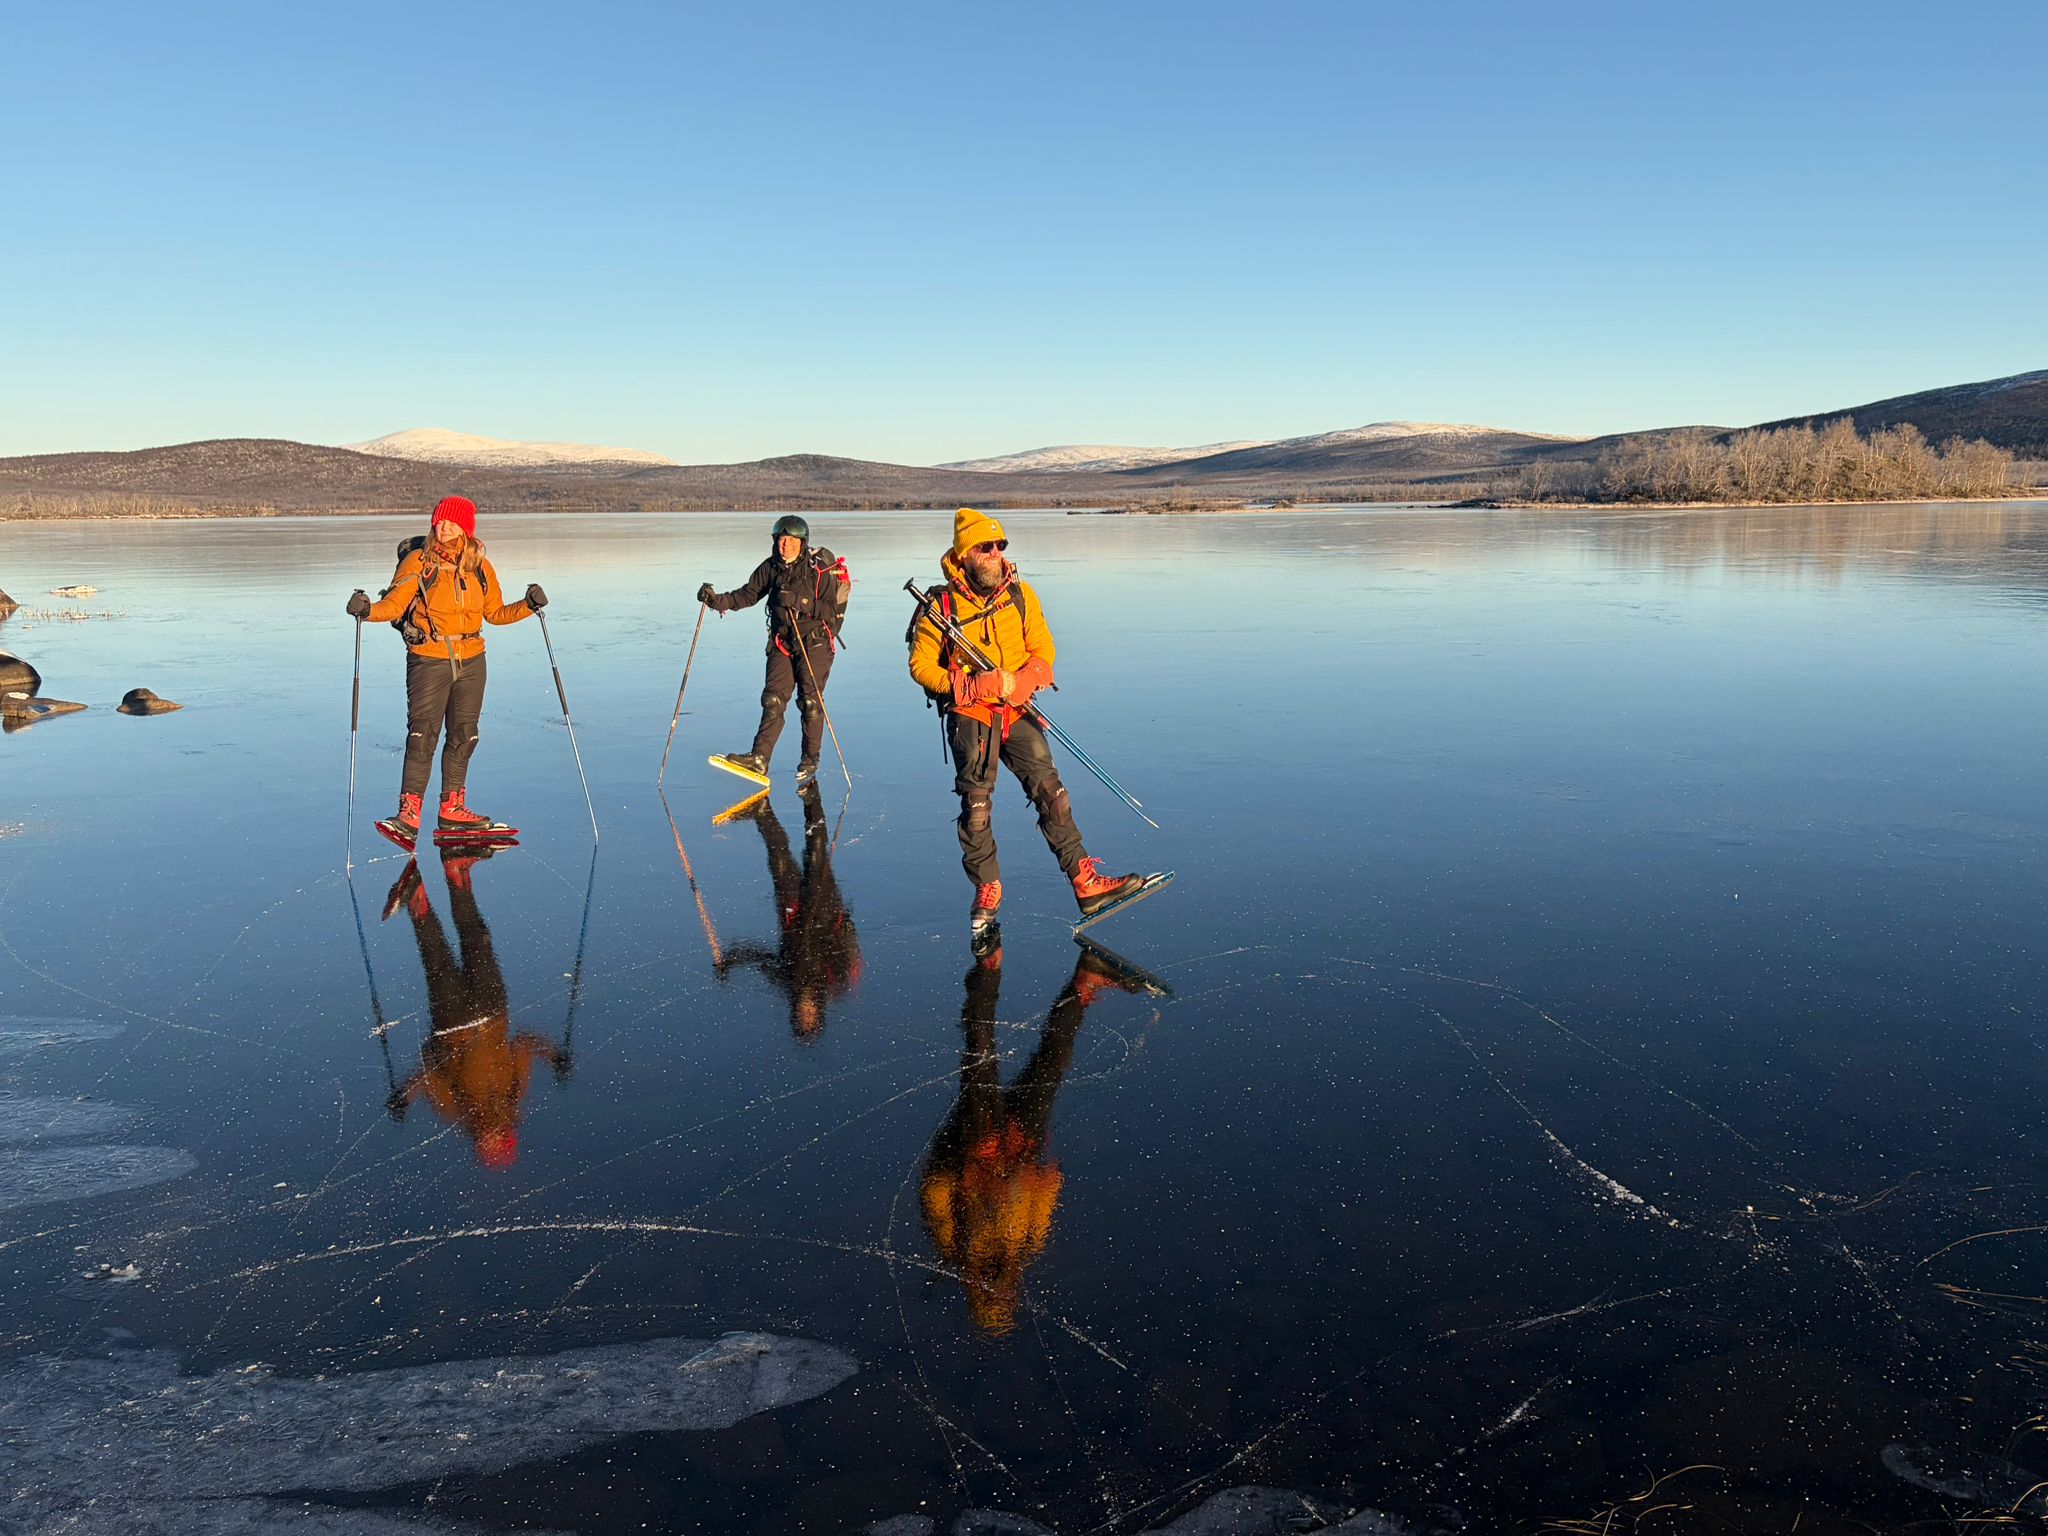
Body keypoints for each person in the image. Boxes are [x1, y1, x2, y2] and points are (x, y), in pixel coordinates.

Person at [907, 508, 1144, 944]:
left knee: (1052, 794)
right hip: (972, 715)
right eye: (985, 547)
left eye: (1000, 545)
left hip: (1018, 712)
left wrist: (1029, 679)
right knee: (976, 808)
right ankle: (987, 889)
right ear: (964, 555)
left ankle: (1085, 883)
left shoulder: (1019, 595)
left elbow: (1043, 647)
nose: (996, 553)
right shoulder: (940, 606)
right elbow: (920, 666)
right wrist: (971, 684)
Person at [920, 940, 1158, 1334]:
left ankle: (986, 976)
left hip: (978, 1145)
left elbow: (934, 1190)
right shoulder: (1026, 1246)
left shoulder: (953, 1247)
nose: (996, 1286)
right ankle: (1084, 985)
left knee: (980, 1055)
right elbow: (1048, 1192)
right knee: (1054, 1058)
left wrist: (963, 1174)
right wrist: (1038, 1178)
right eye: (1003, 1297)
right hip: (1020, 1145)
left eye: (989, 1296)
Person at [345, 495, 545, 848]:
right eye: (439, 521)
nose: (443, 527)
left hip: (472, 660)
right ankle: (408, 814)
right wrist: (367, 611)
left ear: (466, 528)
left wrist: (529, 606)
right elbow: (394, 605)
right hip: (429, 658)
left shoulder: (481, 567)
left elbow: (495, 614)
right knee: (423, 734)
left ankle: (453, 808)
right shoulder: (418, 562)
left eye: (451, 522)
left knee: (465, 734)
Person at [383, 846, 571, 1169]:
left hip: (454, 1026)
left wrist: (405, 1096)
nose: (493, 1135)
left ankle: (416, 896)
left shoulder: (457, 1111)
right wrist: (553, 1055)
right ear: (509, 1134)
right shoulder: (514, 1097)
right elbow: (524, 1045)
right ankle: (458, 873)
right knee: (477, 937)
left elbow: (430, 1080)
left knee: (437, 958)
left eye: (489, 1142)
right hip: (493, 1010)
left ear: (479, 1141)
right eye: (501, 1139)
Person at [698, 514, 845, 786]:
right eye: (780, 539)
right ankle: (759, 758)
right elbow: (747, 595)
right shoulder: (771, 567)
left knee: (810, 703)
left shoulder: (819, 572)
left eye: (791, 540)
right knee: (773, 700)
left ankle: (809, 759)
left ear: (802, 542)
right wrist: (716, 601)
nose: (785, 545)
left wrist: (801, 602)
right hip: (782, 643)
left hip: (814, 643)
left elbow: (830, 612)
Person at [714, 785, 862, 1040]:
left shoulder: (788, 981)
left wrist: (732, 959)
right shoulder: (836, 982)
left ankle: (762, 810)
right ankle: (812, 799)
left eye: (802, 1016)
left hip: (794, 916)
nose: (805, 1011)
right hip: (824, 911)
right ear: (818, 1011)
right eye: (809, 1016)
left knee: (778, 858)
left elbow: (762, 959)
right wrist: (846, 926)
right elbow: (851, 950)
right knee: (816, 855)